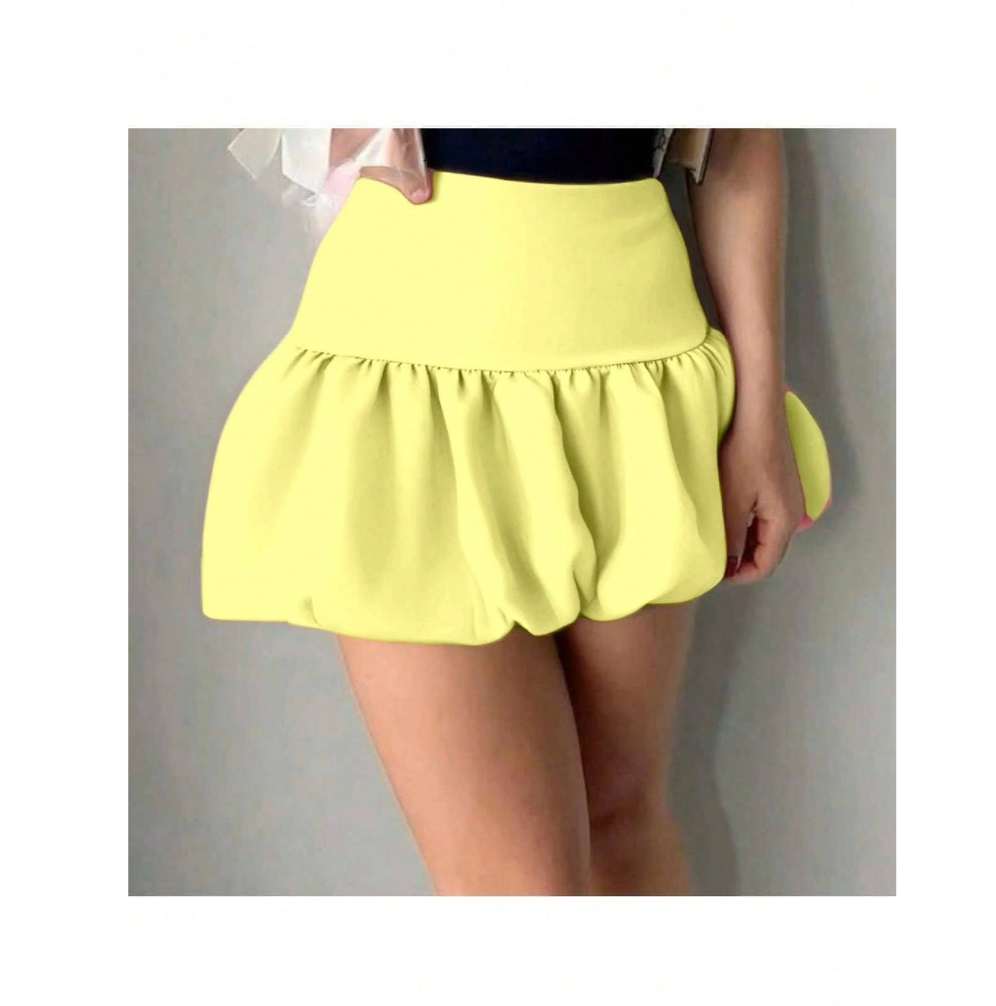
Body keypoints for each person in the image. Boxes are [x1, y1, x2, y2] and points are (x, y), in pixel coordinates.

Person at [202, 128, 812, 895]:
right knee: (519, 887)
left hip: (634, 379)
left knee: (621, 825)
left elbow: (738, 143)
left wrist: (760, 418)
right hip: (415, 383)